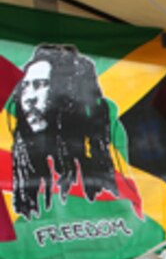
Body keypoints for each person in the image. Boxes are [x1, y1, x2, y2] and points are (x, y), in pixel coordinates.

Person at [10, 44, 129, 219]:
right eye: (25, 86)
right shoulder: (24, 166)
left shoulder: (104, 145)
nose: (29, 98)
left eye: (40, 85)